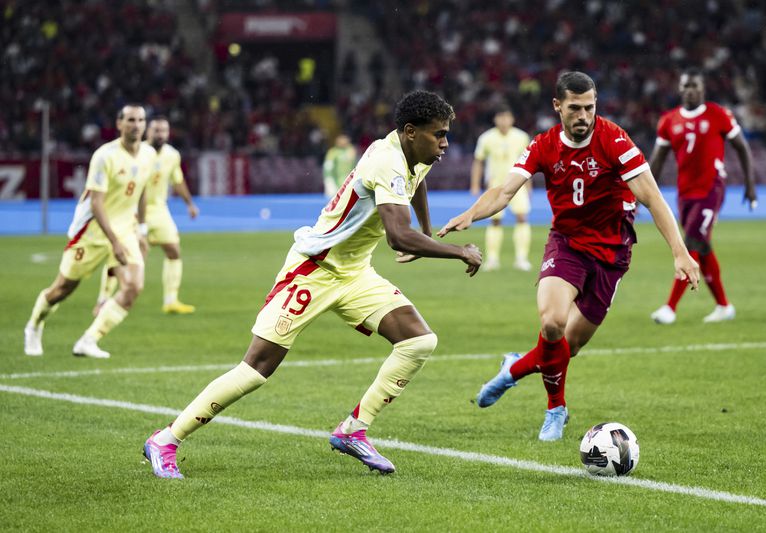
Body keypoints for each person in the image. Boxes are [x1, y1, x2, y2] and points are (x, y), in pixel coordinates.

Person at [143, 90, 482, 479]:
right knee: (257, 368)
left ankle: (353, 430)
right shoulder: (386, 161)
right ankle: (166, 439)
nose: (445, 144)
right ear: (409, 132)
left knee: (419, 341)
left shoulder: (413, 154)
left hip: (354, 273)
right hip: (313, 270)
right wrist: (457, 251)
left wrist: (425, 231)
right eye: (439, 135)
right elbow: (396, 237)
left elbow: (416, 183)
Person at [439, 72, 699, 441]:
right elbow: (504, 191)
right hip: (568, 245)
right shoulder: (544, 145)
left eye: (589, 108)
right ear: (557, 106)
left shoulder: (614, 139)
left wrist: (680, 252)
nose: (583, 116)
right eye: (575, 108)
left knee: (567, 347)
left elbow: (652, 197)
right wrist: (471, 213)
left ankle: (513, 369)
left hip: (612, 254)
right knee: (552, 323)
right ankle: (556, 409)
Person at [23, 104, 155, 359]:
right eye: (130, 120)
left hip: (125, 229)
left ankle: (89, 340)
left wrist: (141, 230)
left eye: (140, 120)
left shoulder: (149, 154)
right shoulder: (105, 156)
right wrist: (114, 241)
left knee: (133, 286)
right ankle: (34, 325)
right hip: (93, 232)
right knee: (62, 288)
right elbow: (96, 203)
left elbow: (142, 191)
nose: (136, 125)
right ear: (119, 124)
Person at [649, 68, 758, 325]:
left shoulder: (718, 115)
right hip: (685, 193)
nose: (691, 90)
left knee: (691, 243)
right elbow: (656, 161)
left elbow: (742, 147)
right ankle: (723, 306)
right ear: (680, 89)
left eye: (695, 86)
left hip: (712, 189)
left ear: (703, 88)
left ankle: (670, 308)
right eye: (686, 86)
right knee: (703, 246)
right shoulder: (669, 121)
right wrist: (640, 193)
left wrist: (750, 185)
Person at [95, 116, 199, 315]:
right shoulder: (138, 153)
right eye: (156, 130)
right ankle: (103, 299)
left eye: (164, 131)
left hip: (159, 210)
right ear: (147, 131)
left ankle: (171, 300)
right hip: (133, 212)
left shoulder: (172, 155)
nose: (160, 134)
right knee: (120, 257)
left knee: (174, 251)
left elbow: (177, 181)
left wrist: (190, 204)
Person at [470, 105, 533, 271]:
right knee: (495, 220)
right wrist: (475, 184)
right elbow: (478, 161)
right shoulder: (486, 138)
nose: (504, 121)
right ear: (495, 119)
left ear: (512, 119)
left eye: (507, 117)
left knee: (522, 217)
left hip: (518, 184)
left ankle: (521, 258)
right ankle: (492, 259)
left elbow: (529, 163)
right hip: (495, 185)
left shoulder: (521, 137)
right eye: (501, 117)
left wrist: (529, 186)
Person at [322, 133, 357, 198]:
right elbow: (327, 169)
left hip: (349, 183)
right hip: (335, 183)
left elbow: (355, 166)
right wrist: (329, 182)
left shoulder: (351, 150)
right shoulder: (332, 152)